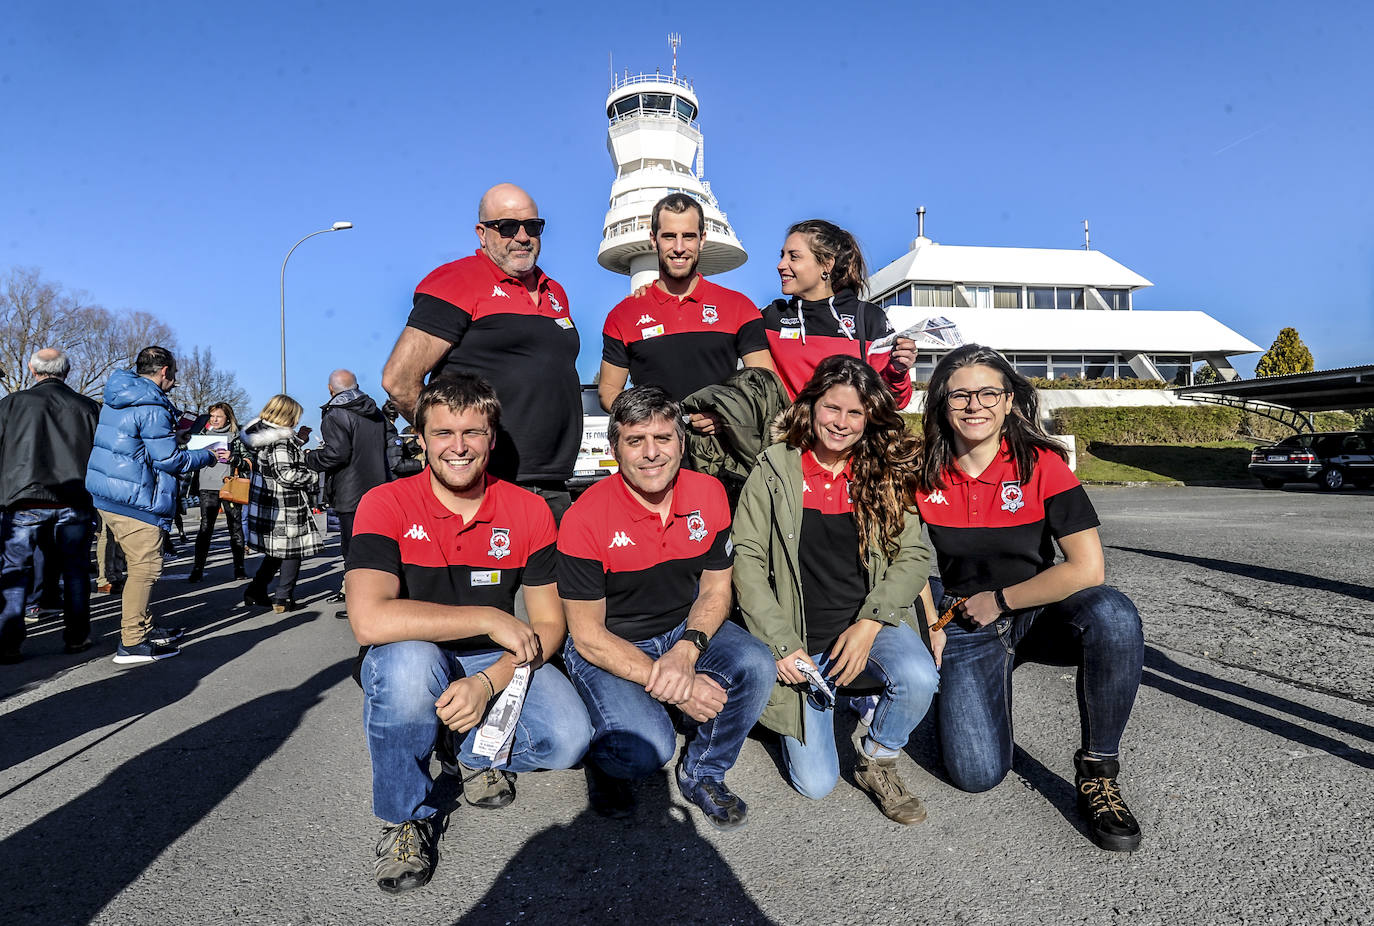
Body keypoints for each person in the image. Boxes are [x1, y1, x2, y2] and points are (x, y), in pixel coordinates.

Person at [347, 375, 591, 895]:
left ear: (493, 439)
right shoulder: (383, 503)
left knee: (571, 738)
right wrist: (487, 617)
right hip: (412, 655)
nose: (457, 448)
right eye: (442, 434)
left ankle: (469, 750)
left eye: (473, 433)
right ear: (421, 439)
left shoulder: (528, 510)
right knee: (409, 665)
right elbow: (370, 620)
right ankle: (405, 818)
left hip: (492, 660)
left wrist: (490, 681)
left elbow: (550, 624)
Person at [914, 344, 1145, 852]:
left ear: (1010, 400)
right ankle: (959, 696)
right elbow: (900, 558)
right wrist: (930, 619)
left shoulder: (1042, 465)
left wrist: (999, 600)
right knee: (978, 774)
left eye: (988, 393)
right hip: (965, 621)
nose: (974, 405)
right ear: (939, 404)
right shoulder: (919, 470)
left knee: (1114, 615)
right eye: (959, 395)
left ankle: (1099, 774)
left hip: (1035, 611)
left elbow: (1088, 568)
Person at [731, 355, 940, 822]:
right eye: (832, 408)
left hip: (867, 622)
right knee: (816, 784)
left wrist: (870, 623)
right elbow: (747, 560)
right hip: (801, 638)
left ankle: (878, 756)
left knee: (921, 677)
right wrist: (780, 647)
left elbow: (913, 556)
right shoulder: (774, 467)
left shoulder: (883, 470)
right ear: (811, 406)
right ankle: (791, 707)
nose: (841, 423)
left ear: (869, 418)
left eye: (855, 413)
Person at [557, 386, 774, 828]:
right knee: (647, 750)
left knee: (755, 663)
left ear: (681, 442)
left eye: (663, 438)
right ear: (614, 448)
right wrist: (680, 686)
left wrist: (686, 652)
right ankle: (604, 757)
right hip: (610, 641)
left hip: (679, 627)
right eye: (636, 441)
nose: (651, 454)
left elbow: (715, 590)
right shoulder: (583, 517)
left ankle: (703, 772)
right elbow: (587, 636)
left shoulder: (710, 493)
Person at [381, 182, 581, 523]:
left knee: (553, 578)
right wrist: (444, 444)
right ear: (482, 233)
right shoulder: (454, 281)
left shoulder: (554, 290)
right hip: (486, 483)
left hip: (553, 482)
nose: (522, 236)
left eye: (532, 226)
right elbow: (399, 381)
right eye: (506, 227)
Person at [86, 346, 231, 665]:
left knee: (138, 565)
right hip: (136, 495)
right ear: (164, 371)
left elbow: (141, 441)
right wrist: (209, 455)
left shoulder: (121, 394)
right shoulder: (152, 403)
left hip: (112, 490)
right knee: (145, 567)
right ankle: (133, 641)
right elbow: (168, 459)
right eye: (174, 373)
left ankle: (143, 628)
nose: (176, 380)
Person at [598, 192, 774, 430]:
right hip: (656, 453)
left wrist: (727, 414)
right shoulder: (623, 315)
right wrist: (647, 418)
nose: (679, 248)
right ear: (653, 239)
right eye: (669, 236)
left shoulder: (740, 307)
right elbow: (608, 391)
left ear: (702, 239)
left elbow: (764, 384)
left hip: (722, 457)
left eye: (688, 237)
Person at [0, 348, 101, 662]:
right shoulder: (87, 408)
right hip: (73, 498)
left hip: (21, 498)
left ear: (32, 369)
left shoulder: (11, 405)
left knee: (14, 571)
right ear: (66, 371)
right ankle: (76, 636)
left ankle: (8, 641)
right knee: (75, 571)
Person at [761, 219, 917, 405]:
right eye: (782, 256)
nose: (781, 265)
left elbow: (895, 401)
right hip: (789, 432)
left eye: (793, 257)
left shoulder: (868, 317)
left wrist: (897, 370)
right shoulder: (771, 317)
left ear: (827, 264)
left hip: (851, 433)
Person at [305, 370, 395, 615]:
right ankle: (375, 595)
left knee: (353, 549)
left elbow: (337, 454)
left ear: (330, 389)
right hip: (379, 487)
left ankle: (360, 601)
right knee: (377, 546)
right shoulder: (374, 411)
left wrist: (311, 457)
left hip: (351, 490)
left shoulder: (336, 414)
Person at [239, 395, 321, 613]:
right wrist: (314, 477)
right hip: (286, 504)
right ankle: (283, 598)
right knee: (293, 551)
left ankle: (256, 590)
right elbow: (285, 473)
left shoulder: (261, 435)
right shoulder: (281, 440)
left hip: (267, 502)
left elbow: (272, 461)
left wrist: (300, 441)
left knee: (276, 552)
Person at [187, 403, 248, 583]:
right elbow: (186, 454)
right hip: (207, 486)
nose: (214, 420)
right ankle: (197, 569)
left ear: (228, 418)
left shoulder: (237, 436)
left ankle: (239, 568)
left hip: (230, 486)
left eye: (218, 416)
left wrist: (233, 458)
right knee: (205, 528)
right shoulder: (201, 435)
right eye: (212, 416)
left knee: (235, 527)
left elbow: (249, 460)